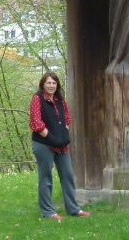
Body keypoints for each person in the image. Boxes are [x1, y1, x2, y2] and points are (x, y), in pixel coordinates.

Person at [29, 71, 90, 220]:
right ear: (43, 84)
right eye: (48, 83)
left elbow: (67, 118)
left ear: (57, 85)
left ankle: (73, 209)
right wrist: (51, 137)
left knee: (68, 175)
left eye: (54, 83)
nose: (51, 85)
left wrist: (62, 135)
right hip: (43, 144)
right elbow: (36, 122)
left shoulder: (60, 100)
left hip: (61, 145)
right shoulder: (37, 99)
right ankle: (48, 212)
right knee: (46, 177)